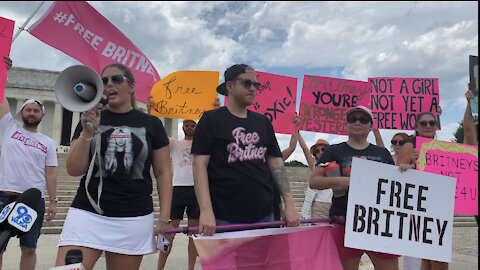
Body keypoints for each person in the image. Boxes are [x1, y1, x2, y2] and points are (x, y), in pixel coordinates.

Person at [54, 63, 173, 270]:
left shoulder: (152, 124)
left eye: (116, 79)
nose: (109, 84)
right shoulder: (88, 120)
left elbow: (163, 173)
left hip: (133, 216)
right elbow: (73, 169)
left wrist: (164, 218)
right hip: (87, 213)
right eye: (104, 81)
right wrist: (87, 133)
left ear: (131, 86)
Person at [192, 64, 300, 236]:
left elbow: (276, 163)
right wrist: (205, 210)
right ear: (230, 86)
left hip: (265, 215)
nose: (253, 89)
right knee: (227, 264)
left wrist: (290, 204)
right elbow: (199, 165)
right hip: (223, 216)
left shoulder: (263, 122)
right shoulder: (211, 119)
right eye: (246, 83)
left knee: (263, 264)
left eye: (256, 85)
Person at [309, 105, 399, 270]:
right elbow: (314, 182)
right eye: (353, 119)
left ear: (370, 127)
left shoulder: (383, 153)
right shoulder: (333, 151)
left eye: (364, 119)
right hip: (345, 222)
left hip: (379, 224)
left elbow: (396, 186)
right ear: (346, 125)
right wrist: (342, 181)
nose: (358, 122)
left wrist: (406, 169)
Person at [0, 53, 58, 270]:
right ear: (21, 112)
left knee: (29, 248)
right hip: (4, 195)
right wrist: (2, 71)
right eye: (28, 109)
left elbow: (51, 173)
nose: (32, 113)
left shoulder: (48, 142)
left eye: (36, 111)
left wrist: (53, 201)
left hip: (33, 201)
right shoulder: (8, 128)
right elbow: (0, 97)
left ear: (42, 115)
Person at [397, 111, 447, 270]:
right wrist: (411, 164)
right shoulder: (409, 146)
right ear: (416, 127)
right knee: (418, 257)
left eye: (432, 123)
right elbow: (398, 175)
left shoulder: (444, 149)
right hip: (415, 208)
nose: (428, 126)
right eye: (423, 123)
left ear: (436, 127)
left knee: (439, 258)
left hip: (438, 207)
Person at [299, 137, 332, 220]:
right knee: (320, 232)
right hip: (318, 206)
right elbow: (305, 149)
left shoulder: (339, 163)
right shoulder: (315, 165)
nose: (320, 152)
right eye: (317, 151)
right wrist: (296, 130)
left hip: (335, 206)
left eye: (323, 149)